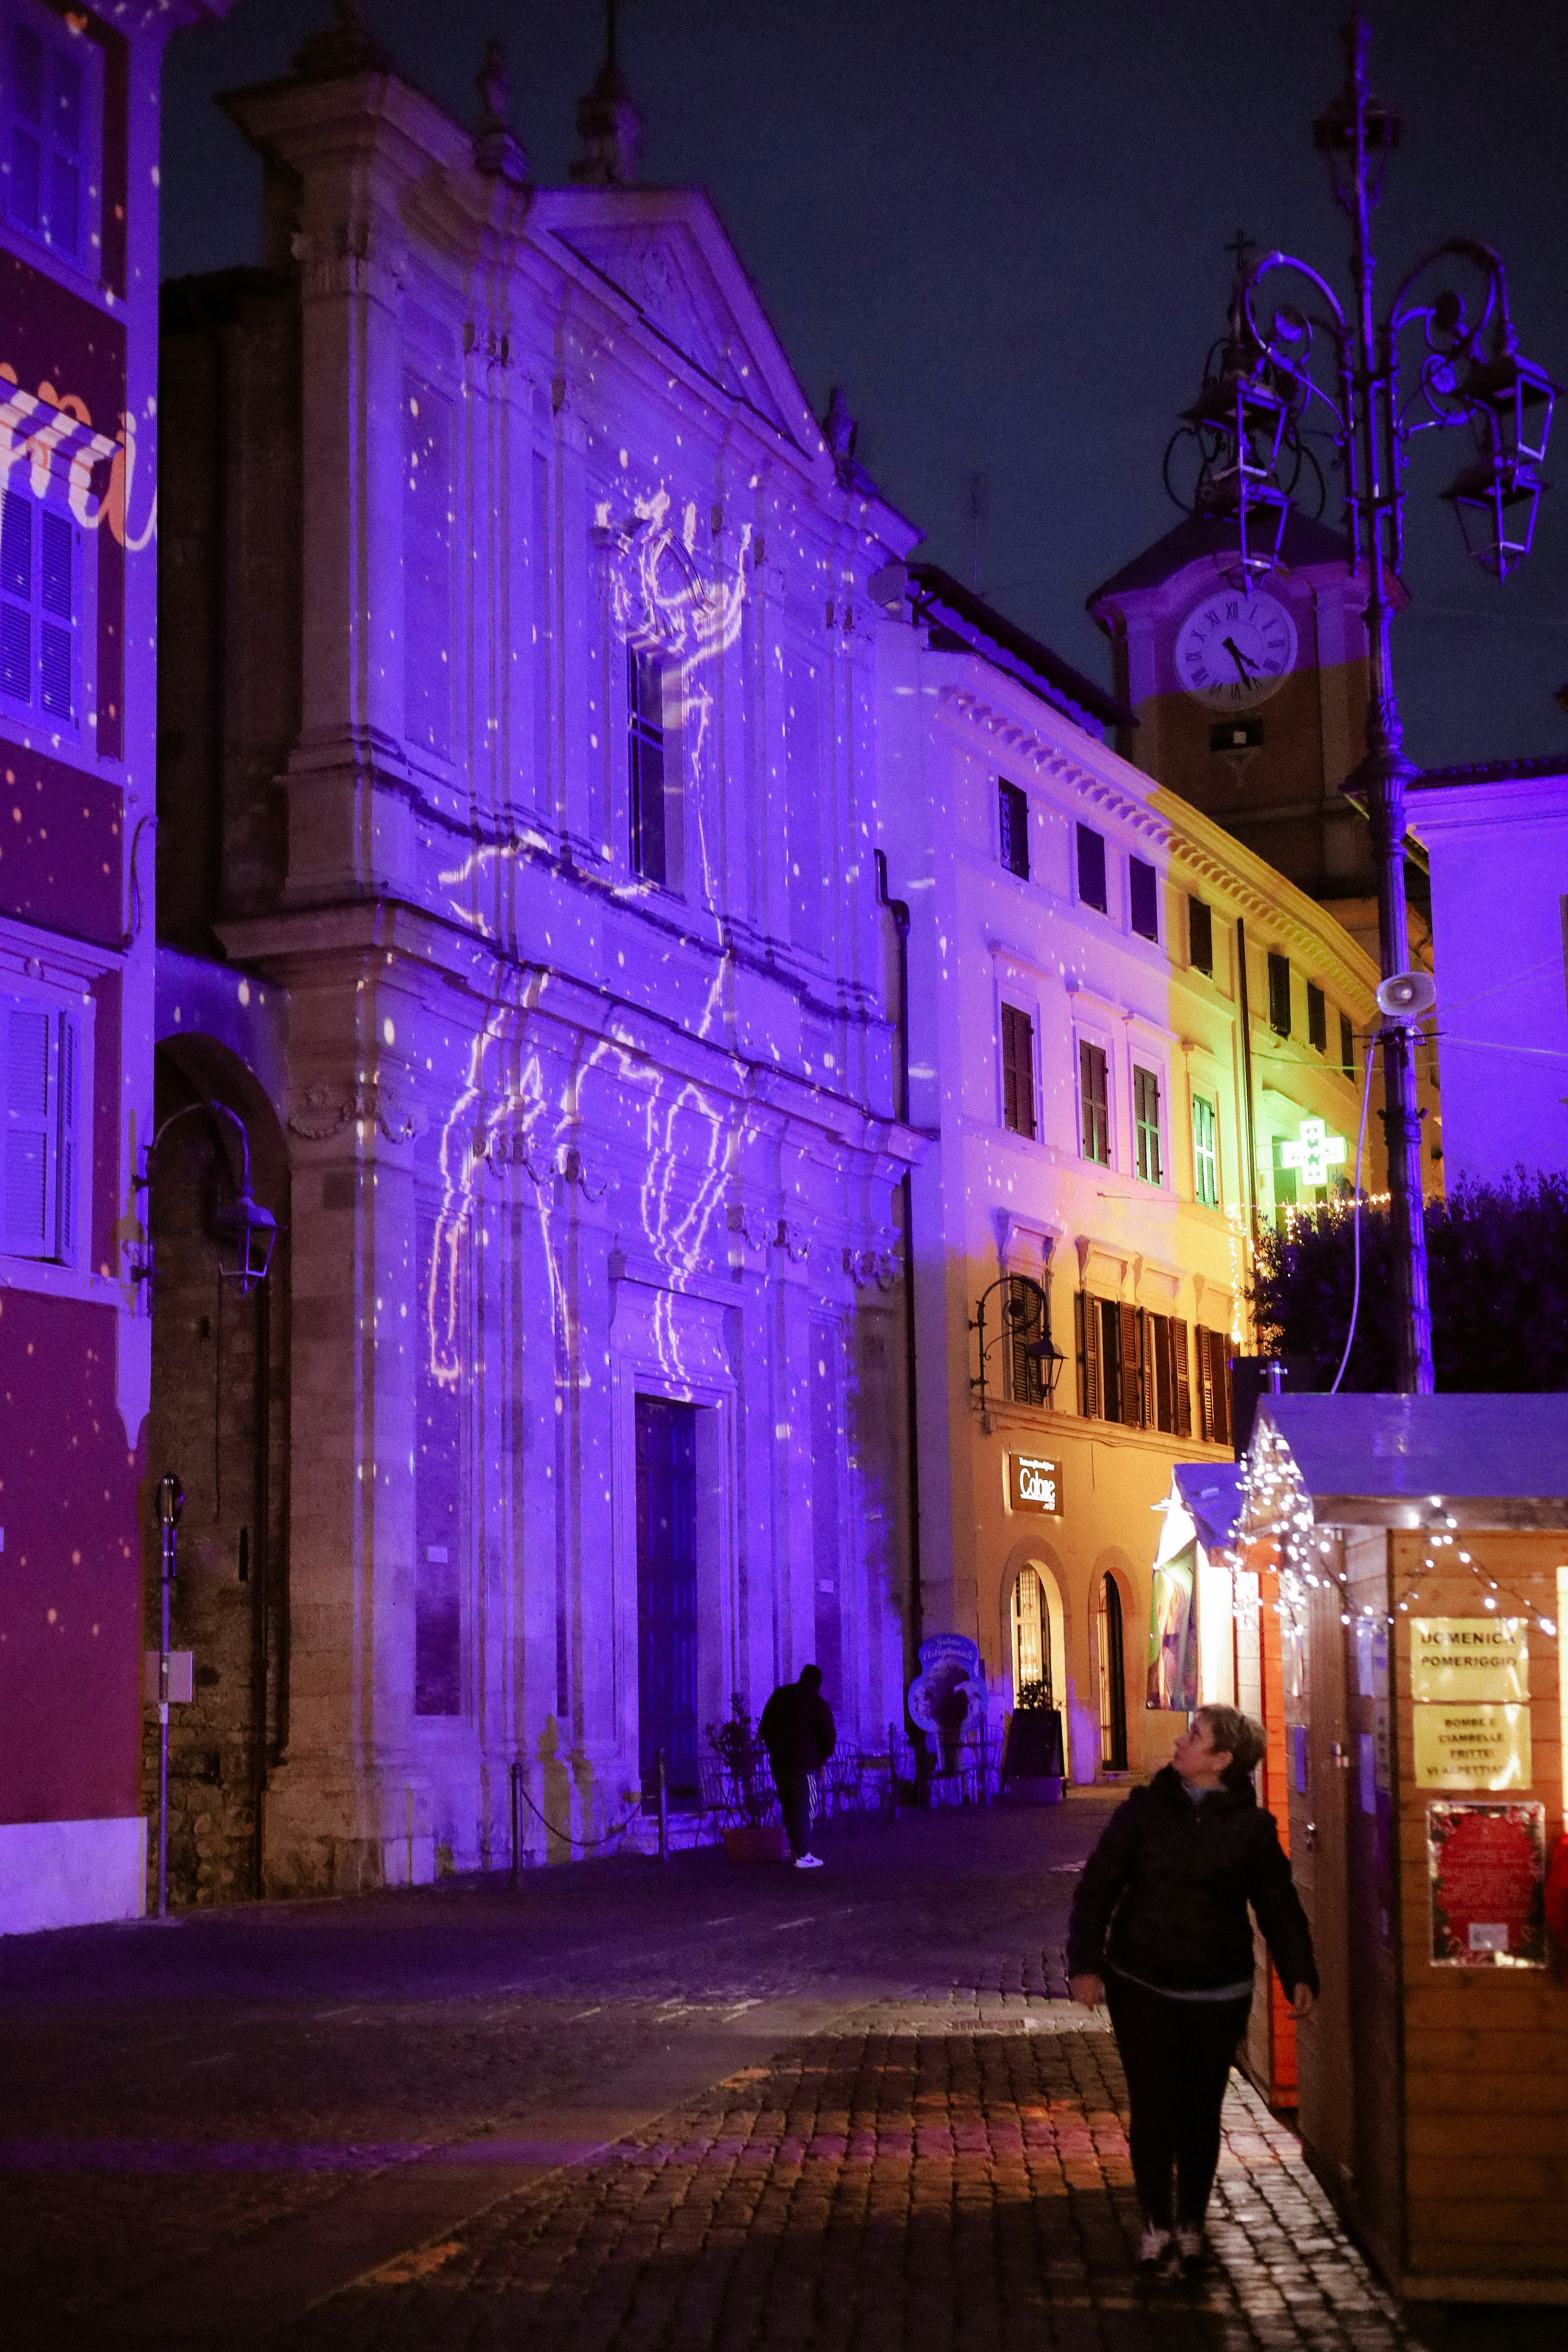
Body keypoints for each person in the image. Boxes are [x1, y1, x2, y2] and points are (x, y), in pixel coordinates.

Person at [1067, 1704, 1318, 2278]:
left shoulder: (1251, 1828)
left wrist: (1297, 1971)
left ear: (1221, 1761)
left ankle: (1191, 2225)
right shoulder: (1143, 1811)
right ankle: (1156, 2225)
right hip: (1142, 1983)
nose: (1180, 1742)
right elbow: (1097, 1886)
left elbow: (1277, 1903)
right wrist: (1085, 1963)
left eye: (1194, 1737)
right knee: (1154, 2108)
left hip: (1216, 1989)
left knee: (1200, 2112)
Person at [759, 1665, 836, 1869]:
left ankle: (795, 1848)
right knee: (806, 1808)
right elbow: (829, 1737)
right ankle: (803, 1854)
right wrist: (821, 1757)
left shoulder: (780, 1696)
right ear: (818, 1683)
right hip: (807, 1764)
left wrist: (775, 1750)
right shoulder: (818, 1704)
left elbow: (765, 1727)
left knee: (789, 1804)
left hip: (781, 1763)